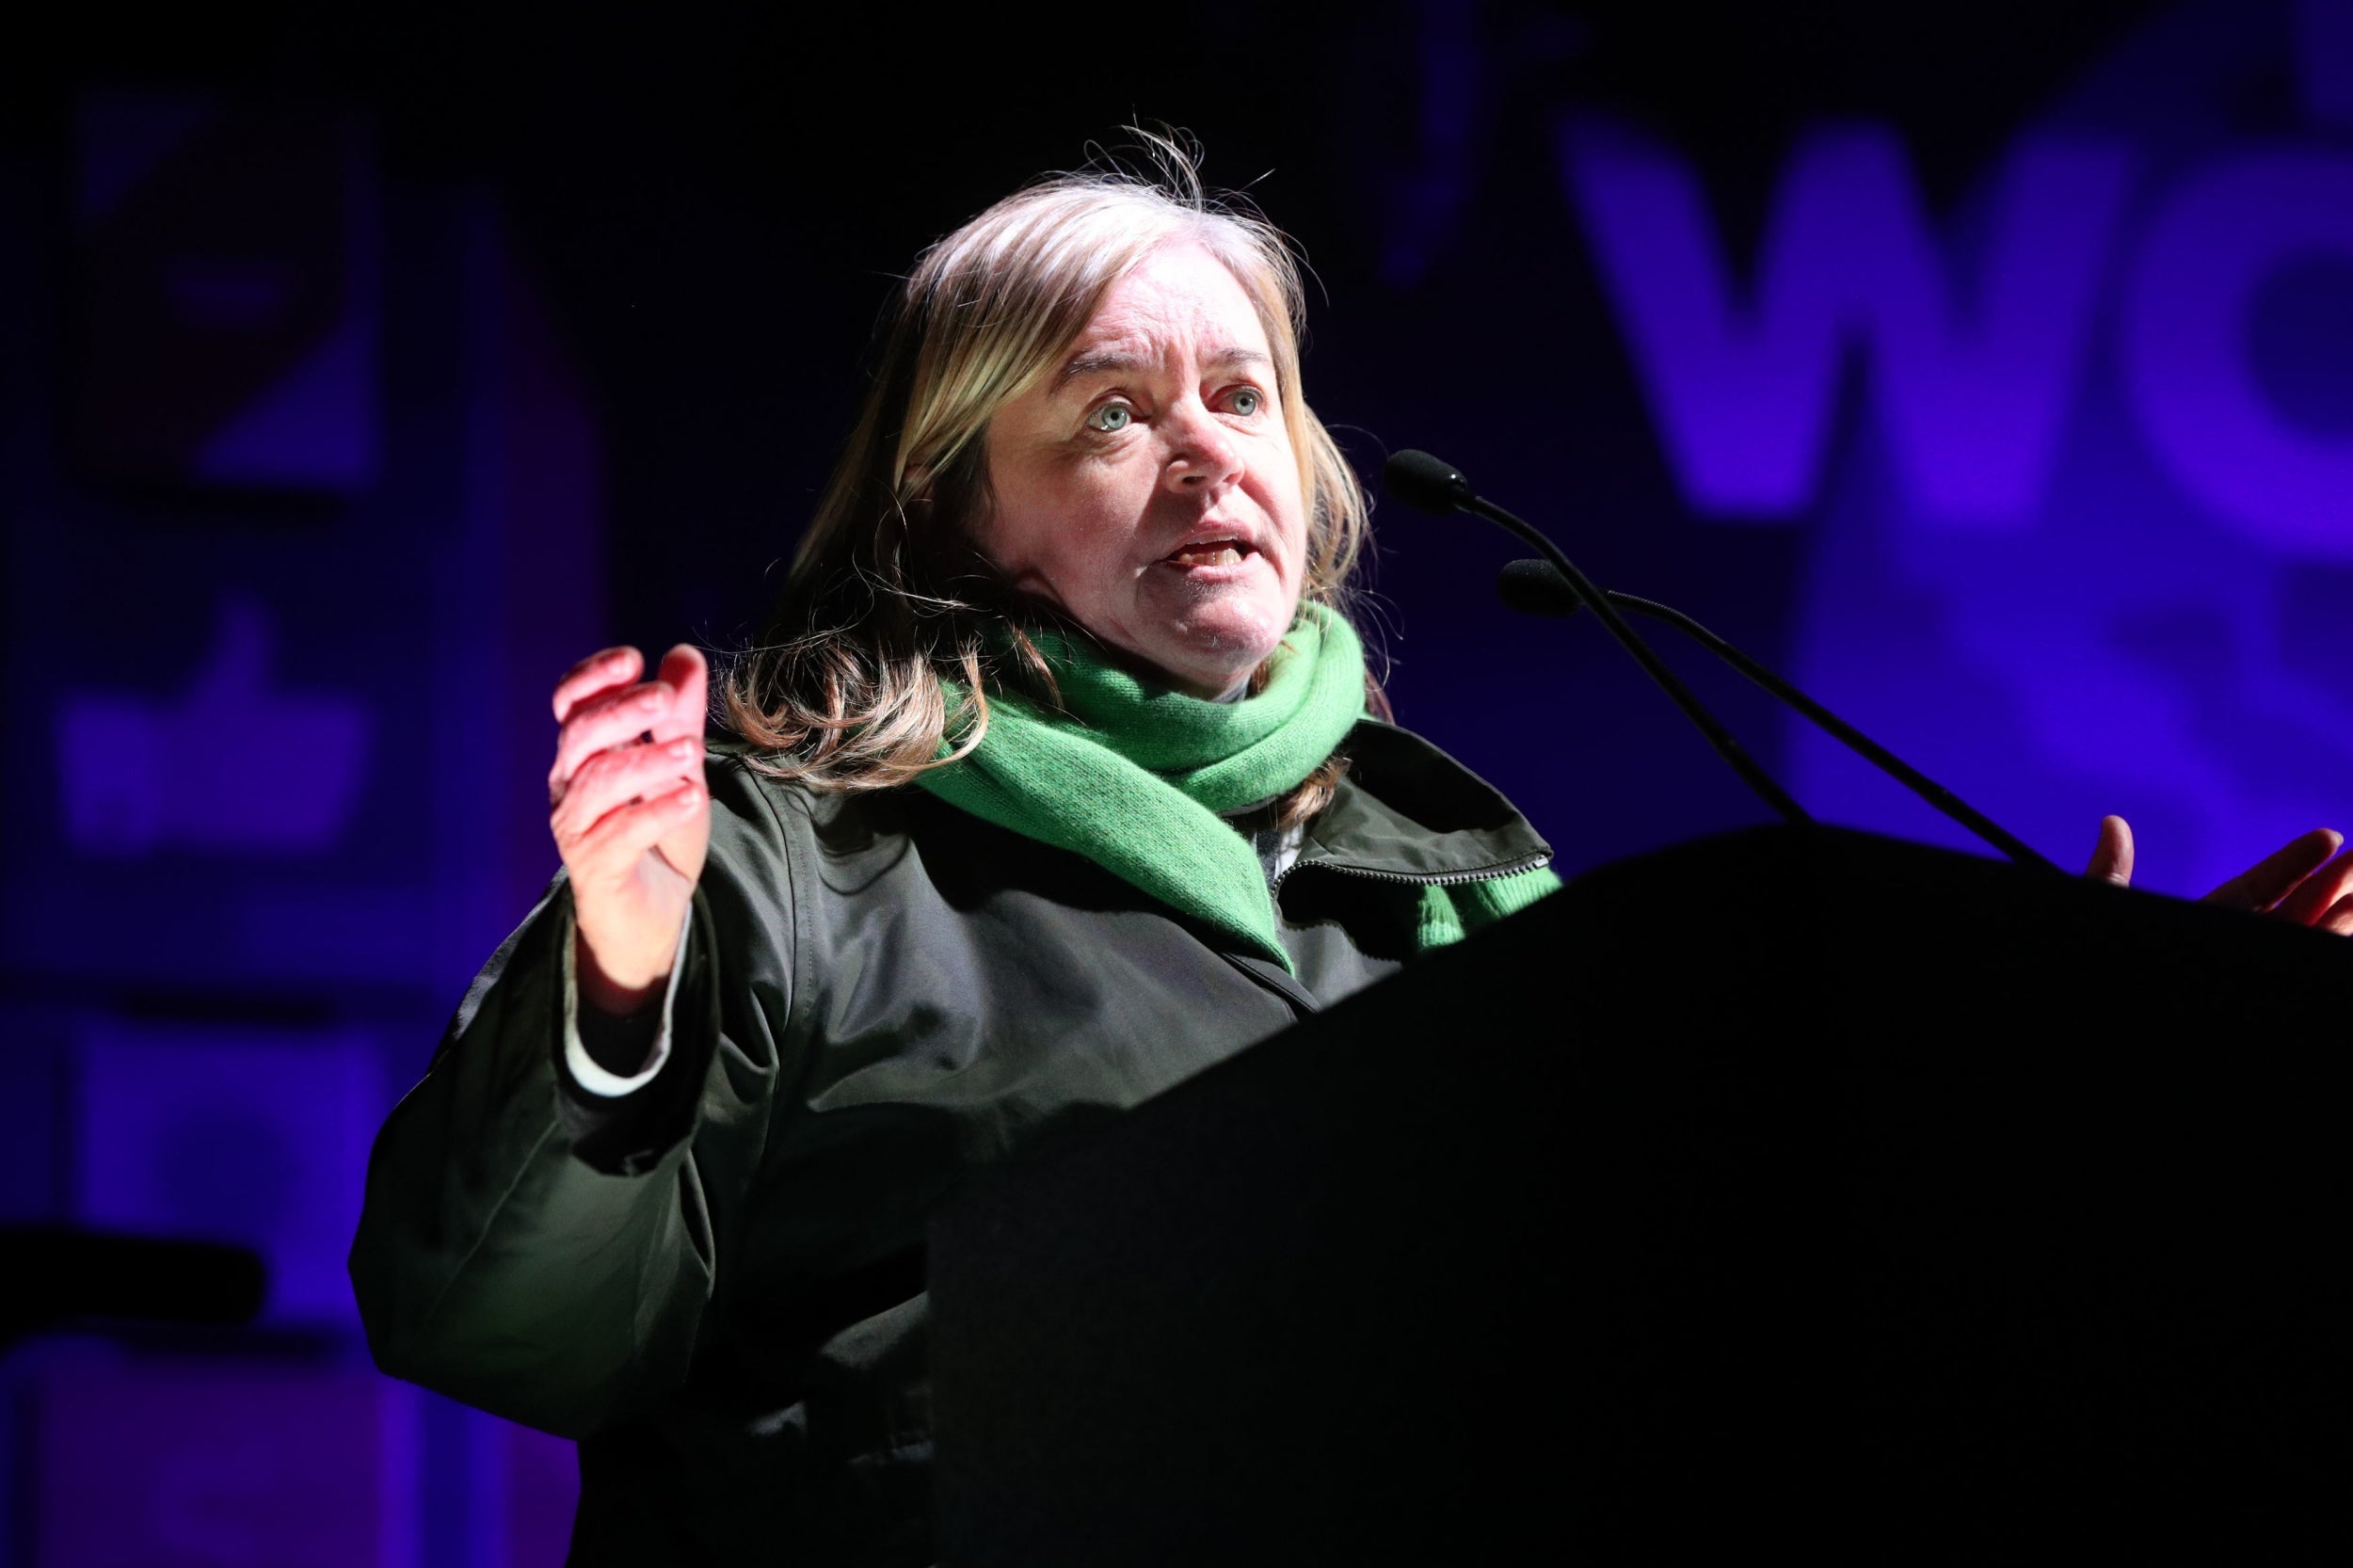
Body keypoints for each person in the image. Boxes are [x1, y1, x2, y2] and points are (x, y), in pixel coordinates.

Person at [349, 140, 2353, 1566]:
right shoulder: (780, 856)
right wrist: (617, 999)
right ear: (957, 506)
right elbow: (498, 1326)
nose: (1206, 443)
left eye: (1243, 394)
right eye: (1111, 408)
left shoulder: (1471, 885)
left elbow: (1696, 1347)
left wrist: (2069, 1084)